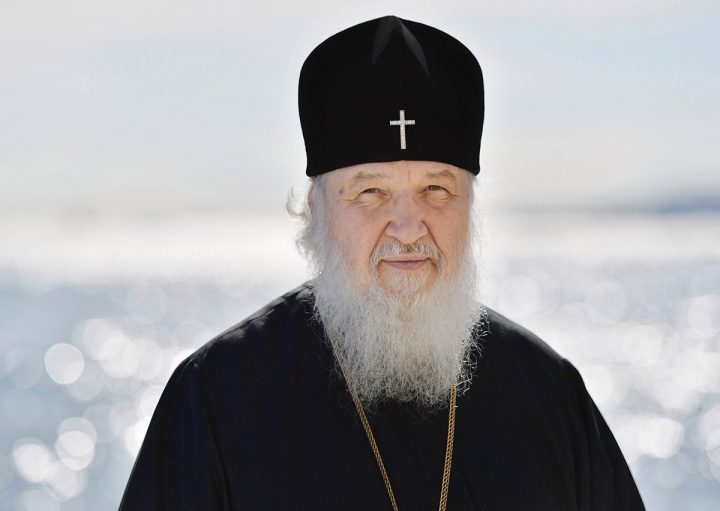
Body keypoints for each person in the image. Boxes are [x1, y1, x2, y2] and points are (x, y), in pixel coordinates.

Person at [119, 15, 645, 510]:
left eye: (437, 190)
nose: (409, 228)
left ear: (471, 209)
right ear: (316, 211)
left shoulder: (549, 392)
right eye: (370, 193)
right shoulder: (216, 399)